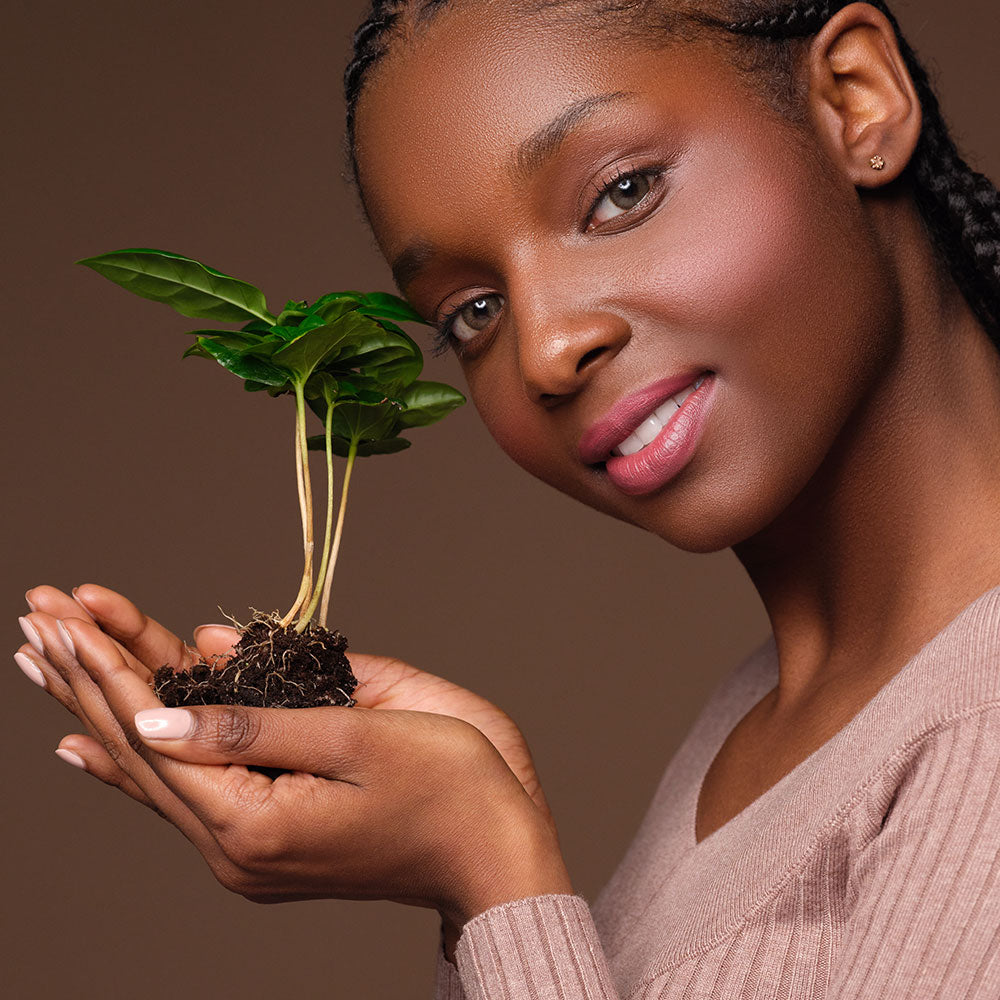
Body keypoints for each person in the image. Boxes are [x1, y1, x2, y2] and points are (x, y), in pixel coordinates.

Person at [15, 0, 1000, 995]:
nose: (544, 351)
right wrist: (480, 876)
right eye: (474, 311)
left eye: (620, 194)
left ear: (855, 99)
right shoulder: (760, 722)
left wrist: (491, 868)